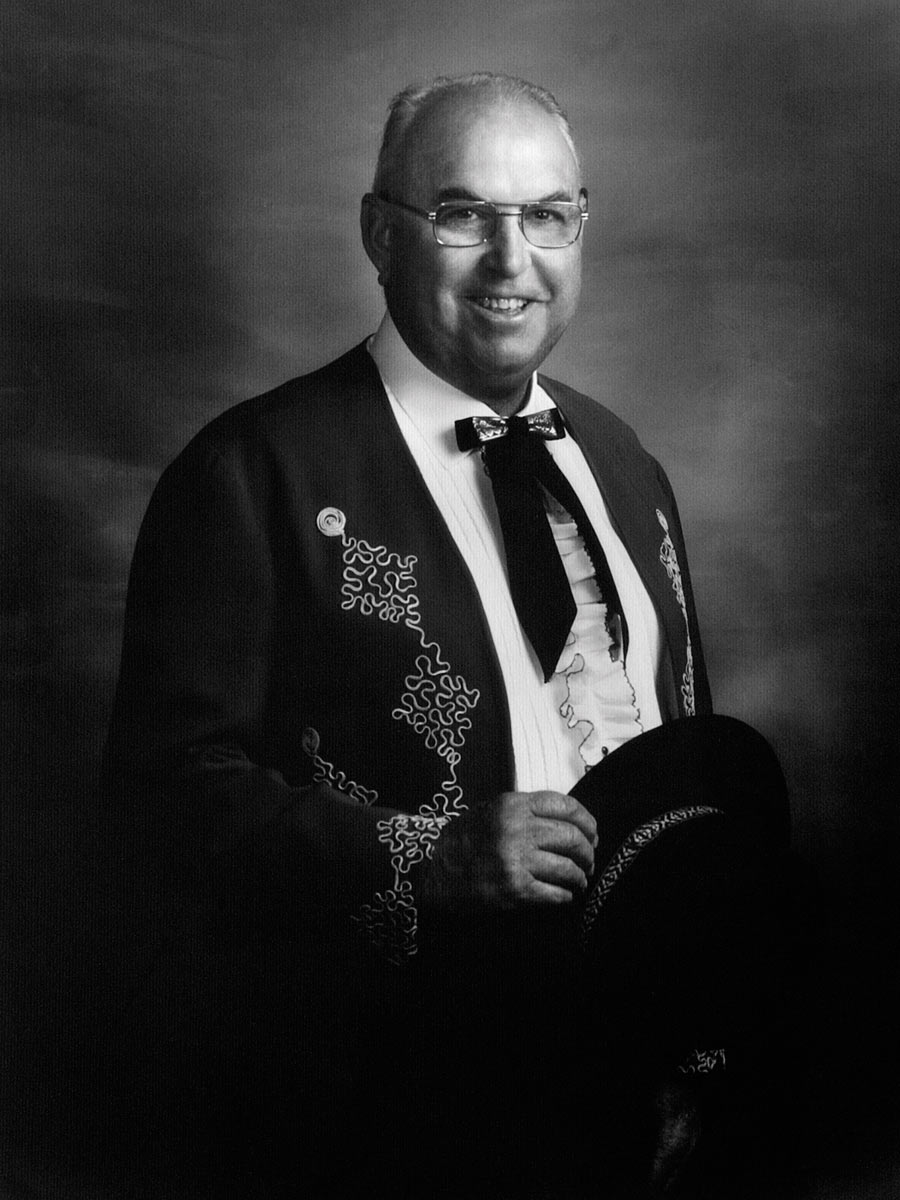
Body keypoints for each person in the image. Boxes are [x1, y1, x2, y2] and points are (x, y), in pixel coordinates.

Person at [102, 73, 790, 1199]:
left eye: (548, 215)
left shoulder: (627, 466)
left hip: (621, 1093)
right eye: (464, 214)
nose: (512, 260)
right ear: (381, 235)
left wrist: (690, 1050)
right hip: (376, 1110)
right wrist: (429, 855)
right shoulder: (247, 474)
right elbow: (160, 802)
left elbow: (686, 785)